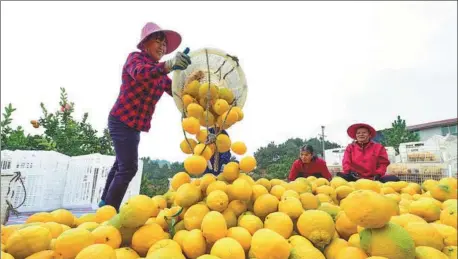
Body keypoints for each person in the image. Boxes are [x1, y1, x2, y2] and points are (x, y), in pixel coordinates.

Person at [99, 22, 192, 210]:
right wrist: (169, 65)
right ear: (145, 44)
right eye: (158, 41)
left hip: (134, 126)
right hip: (121, 120)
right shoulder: (135, 59)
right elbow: (141, 74)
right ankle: (109, 210)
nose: (162, 47)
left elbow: (176, 92)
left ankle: (104, 205)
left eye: (164, 44)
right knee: (128, 168)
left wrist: (192, 79)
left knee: (121, 164)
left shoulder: (162, 74)